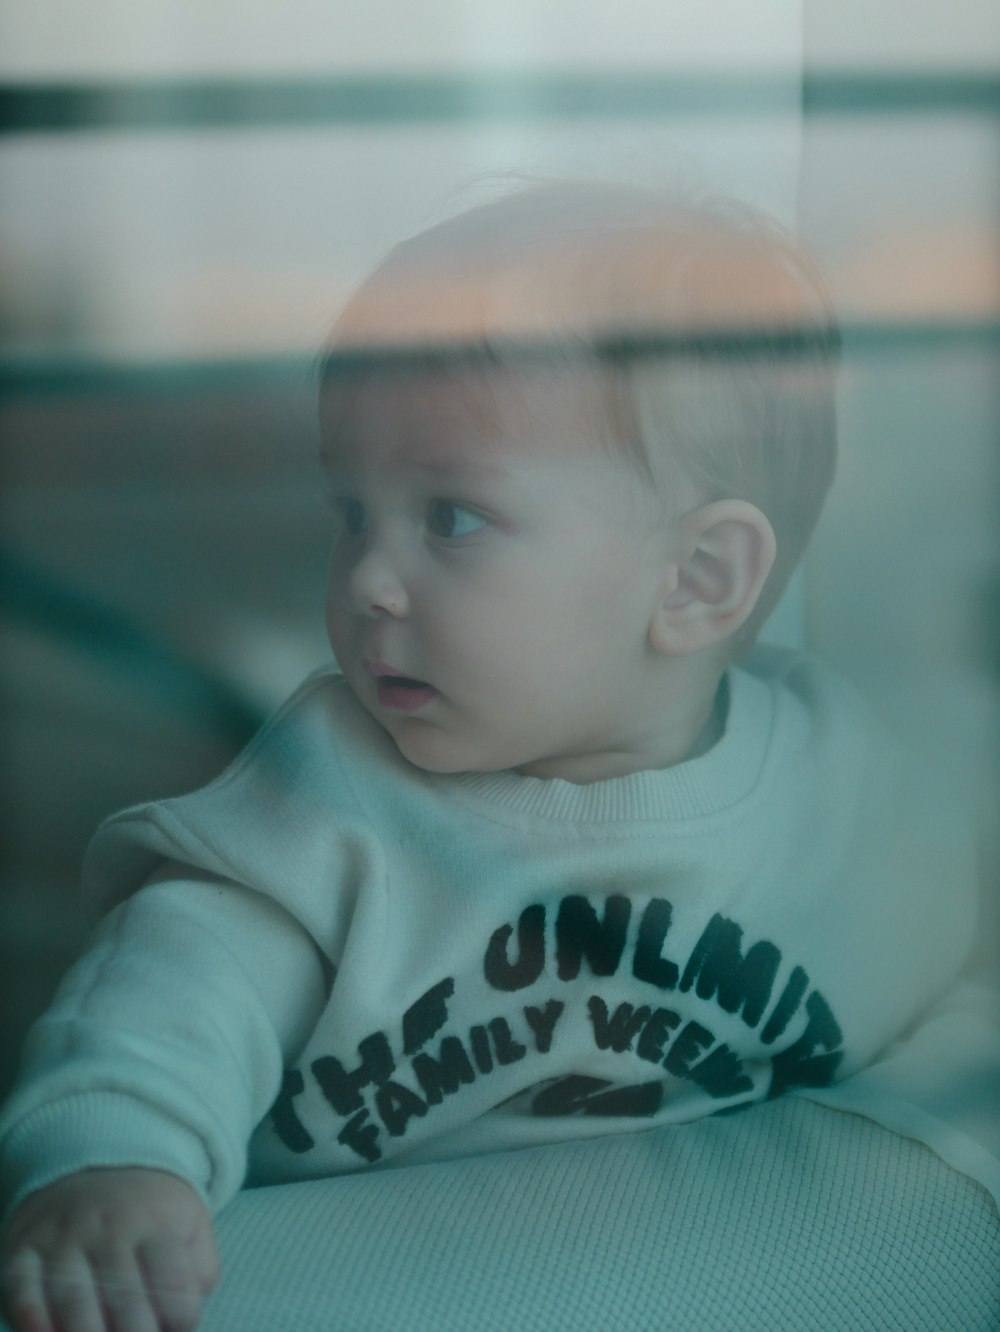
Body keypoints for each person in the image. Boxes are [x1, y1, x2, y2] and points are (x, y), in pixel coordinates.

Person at [0, 182, 981, 1332]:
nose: (367, 578)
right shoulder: (327, 802)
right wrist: (113, 1167)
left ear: (696, 581)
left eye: (450, 518)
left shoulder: (848, 798)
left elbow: (955, 948)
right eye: (349, 512)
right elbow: (166, 1001)